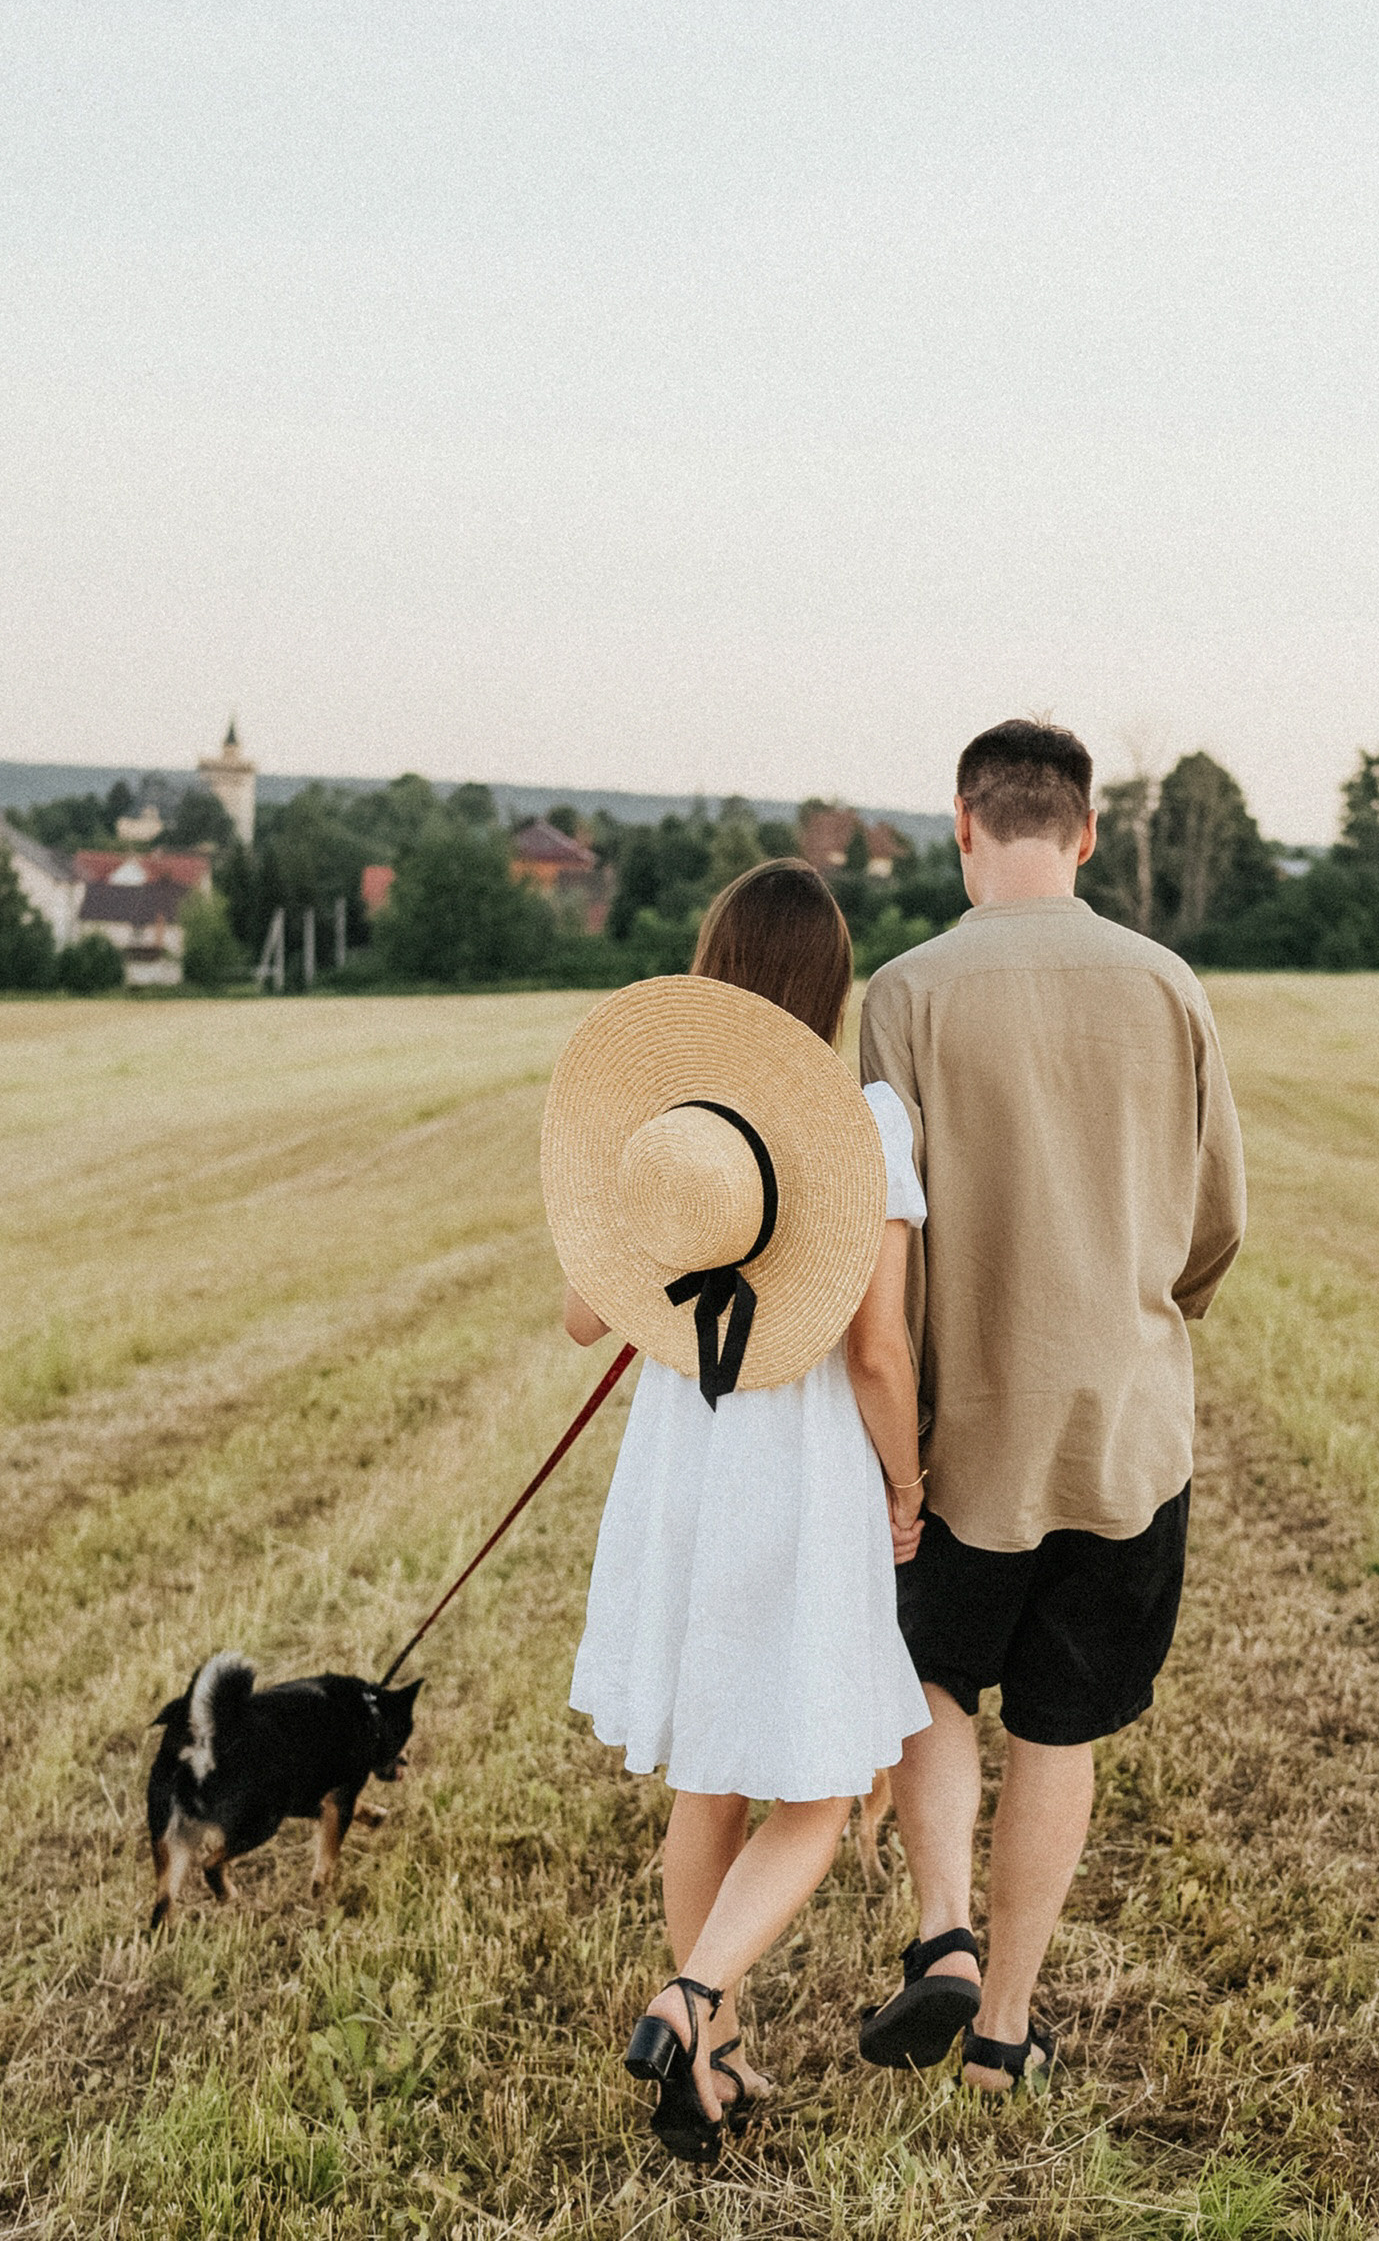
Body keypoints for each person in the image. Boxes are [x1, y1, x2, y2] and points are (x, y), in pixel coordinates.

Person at [856, 719, 1246, 2094]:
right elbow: (1217, 1227)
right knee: (1063, 1728)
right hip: (1125, 1437)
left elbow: (876, 1248)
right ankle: (1006, 2034)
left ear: (965, 824)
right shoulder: (1168, 984)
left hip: (964, 1434)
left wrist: (890, 1441)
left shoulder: (903, 996)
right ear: (1082, 835)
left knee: (930, 1678)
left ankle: (942, 1935)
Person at [544, 860, 931, 2164]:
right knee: (818, 1789)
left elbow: (583, 1313)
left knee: (709, 1778)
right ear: (832, 983)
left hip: (684, 1466)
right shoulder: (863, 1118)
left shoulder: (670, 1126)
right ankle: (693, 2000)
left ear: (709, 967)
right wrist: (910, 1479)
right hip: (802, 1470)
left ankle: (701, 2066)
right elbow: (877, 1353)